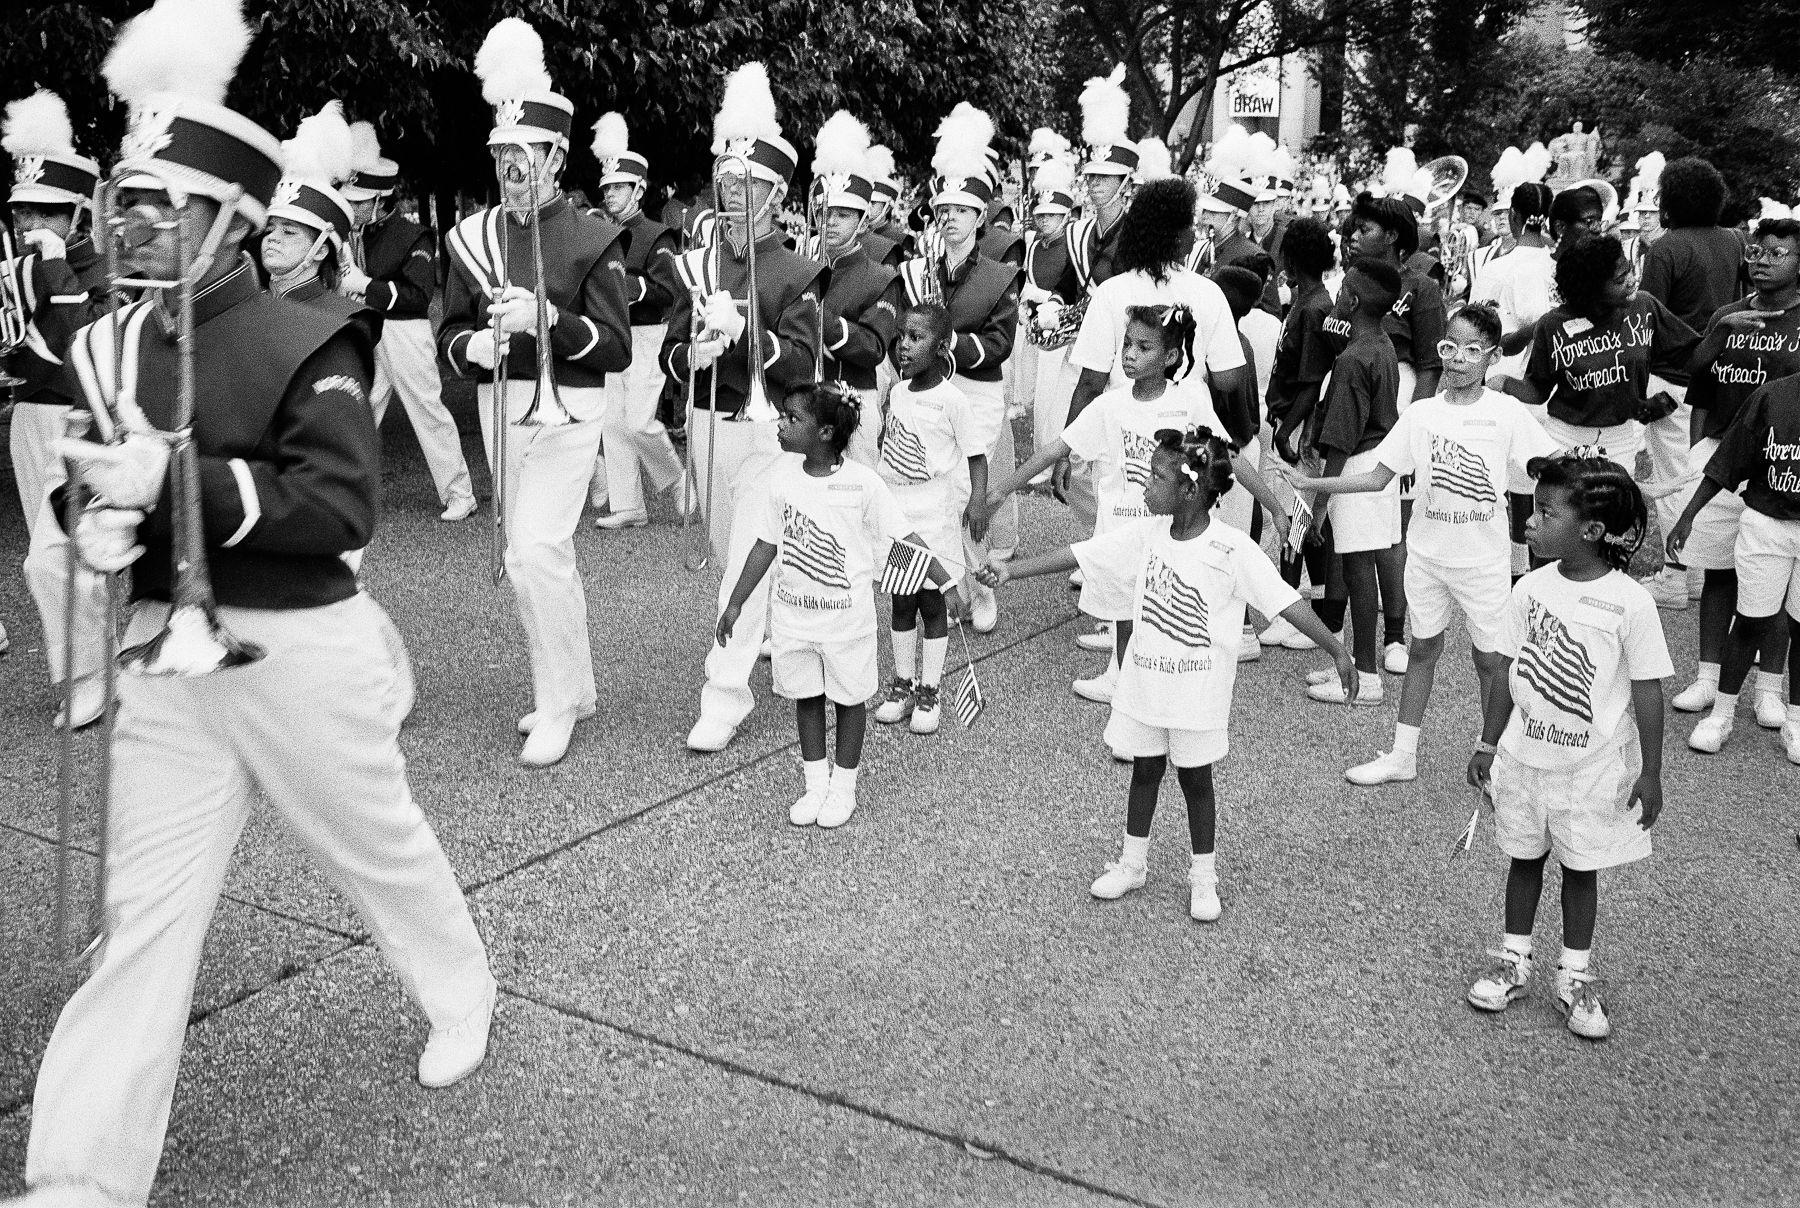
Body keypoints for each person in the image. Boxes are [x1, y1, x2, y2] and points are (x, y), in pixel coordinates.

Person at [20, 5, 495, 1204]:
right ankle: (83, 1169)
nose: (137, 225)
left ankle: (461, 988)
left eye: (164, 206)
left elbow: (339, 508)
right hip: (161, 660)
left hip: (297, 647)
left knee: (378, 849)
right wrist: (100, 523)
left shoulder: (309, 331)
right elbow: (91, 497)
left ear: (232, 221)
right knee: (144, 917)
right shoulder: (109, 345)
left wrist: (174, 481)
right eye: (131, 202)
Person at [979, 427, 1353, 921]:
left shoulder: (1230, 549)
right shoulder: (1148, 535)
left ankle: (1204, 877)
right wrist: (1013, 571)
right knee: (1145, 770)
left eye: (1155, 476)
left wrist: (1337, 650)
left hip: (1197, 694)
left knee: (1197, 781)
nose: (1144, 485)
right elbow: (1081, 555)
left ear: (1190, 490)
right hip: (1146, 685)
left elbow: (1284, 604)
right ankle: (1133, 863)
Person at [439, 17, 633, 768]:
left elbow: (614, 347)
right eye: (502, 155)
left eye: (526, 155)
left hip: (568, 411)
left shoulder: (591, 237)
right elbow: (449, 334)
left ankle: (557, 703)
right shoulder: (472, 237)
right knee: (542, 558)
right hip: (501, 409)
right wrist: (477, 346)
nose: (513, 168)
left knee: (535, 552)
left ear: (556, 158)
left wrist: (550, 319)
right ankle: (572, 686)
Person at [1284, 305, 1557, 784]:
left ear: (1492, 357)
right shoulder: (1422, 415)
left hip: (1484, 562)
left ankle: (1497, 759)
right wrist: (1313, 486)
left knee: (1491, 661)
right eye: (1449, 348)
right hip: (1427, 559)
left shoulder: (1506, 414)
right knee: (1422, 648)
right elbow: (1374, 478)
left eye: (1472, 351)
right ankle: (1402, 755)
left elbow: (1552, 463)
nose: (1457, 360)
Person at [1466, 451, 1670, 1042]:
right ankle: (1513, 959)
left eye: (1546, 511)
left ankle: (1574, 975)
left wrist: (1651, 772)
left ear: (1592, 530)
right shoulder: (1529, 588)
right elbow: (1507, 669)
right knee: (1523, 858)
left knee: (1581, 870)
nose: (1528, 519)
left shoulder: (1629, 602)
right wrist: (1487, 741)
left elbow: (1648, 688)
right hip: (1526, 760)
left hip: (1591, 769)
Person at [982, 304, 1284, 701]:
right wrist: (1001, 490)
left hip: (1170, 534)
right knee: (1125, 616)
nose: (1129, 354)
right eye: (1126, 344)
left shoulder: (1189, 400)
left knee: (1161, 622)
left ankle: (1151, 698)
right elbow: (1055, 450)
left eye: (1143, 347)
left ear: (1171, 357)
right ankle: (1124, 689)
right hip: (1121, 530)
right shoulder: (1110, 406)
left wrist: (1275, 506)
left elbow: (1227, 456)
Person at [664, 62, 826, 754]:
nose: (735, 194)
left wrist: (746, 337)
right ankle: (778, 639)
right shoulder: (698, 261)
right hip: (708, 424)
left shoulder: (798, 271)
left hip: (769, 435)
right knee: (725, 549)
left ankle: (724, 692)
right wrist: (691, 357)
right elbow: (669, 353)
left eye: (751, 184)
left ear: (777, 192)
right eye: (728, 182)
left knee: (745, 564)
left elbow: (804, 364)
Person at [717, 384, 950, 828]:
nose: (781, 425)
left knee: (848, 701)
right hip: (794, 618)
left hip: (846, 622)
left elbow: (905, 536)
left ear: (825, 432)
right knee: (805, 696)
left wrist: (947, 581)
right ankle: (815, 785)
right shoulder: (781, 479)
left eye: (792, 419)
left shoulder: (862, 483)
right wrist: (735, 604)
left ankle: (844, 787)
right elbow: (765, 545)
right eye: (783, 417)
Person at [1665, 217, 1800, 729]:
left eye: (1777, 253)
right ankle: (1708, 675)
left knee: (1780, 584)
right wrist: (1699, 445)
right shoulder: (1729, 313)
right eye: (1756, 252)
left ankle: (1769, 687)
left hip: (1780, 464)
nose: (1762, 261)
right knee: (1719, 571)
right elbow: (1699, 381)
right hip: (1722, 456)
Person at [2, 89, 108, 730]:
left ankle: (91, 676)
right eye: (21, 212)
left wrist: (54, 269)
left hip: (83, 422)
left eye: (47, 211)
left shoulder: (102, 270)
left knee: (54, 557)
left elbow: (83, 346)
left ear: (78, 218)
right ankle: (96, 658)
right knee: (64, 559)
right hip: (28, 420)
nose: (29, 224)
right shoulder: (14, 270)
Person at [894, 102, 1019, 635]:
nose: (949, 219)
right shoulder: (919, 270)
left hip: (979, 392)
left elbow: (1000, 344)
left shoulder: (999, 273)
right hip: (932, 391)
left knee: (971, 494)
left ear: (980, 217)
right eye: (942, 210)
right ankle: (952, 591)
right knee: (937, 494)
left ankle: (982, 590)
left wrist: (948, 348)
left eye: (961, 211)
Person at [337, 122, 478, 523]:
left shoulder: (415, 235)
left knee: (427, 411)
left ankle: (460, 493)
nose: (354, 206)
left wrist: (367, 285)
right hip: (365, 328)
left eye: (361, 200)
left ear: (382, 199)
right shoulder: (354, 233)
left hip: (404, 331)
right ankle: (350, 491)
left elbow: (416, 297)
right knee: (358, 410)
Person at [1667, 359, 1800, 762]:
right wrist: (1689, 515)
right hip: (1767, 523)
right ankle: (1721, 714)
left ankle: (1795, 721)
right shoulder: (1773, 396)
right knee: (1752, 619)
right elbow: (1729, 461)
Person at [1496, 235, 1700, 486]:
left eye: (1630, 271)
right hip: (1564, 440)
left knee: (1614, 517)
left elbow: (1692, 355)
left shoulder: (1643, 308)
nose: (1632, 281)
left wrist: (1724, 331)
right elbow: (1538, 390)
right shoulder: (1552, 325)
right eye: (1620, 279)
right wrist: (1504, 383)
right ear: (1591, 290)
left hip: (1620, 440)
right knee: (1566, 518)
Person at [1638, 157, 1751, 605]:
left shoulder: (1665, 248)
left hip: (1674, 376)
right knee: (1709, 471)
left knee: (1672, 477)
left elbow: (1648, 319)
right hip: (1727, 375)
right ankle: (1700, 569)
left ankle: (1674, 575)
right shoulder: (1736, 240)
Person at [870, 302, 981, 735]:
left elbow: (976, 456)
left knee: (933, 602)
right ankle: (902, 683)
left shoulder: (953, 400)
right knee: (901, 599)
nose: (904, 347)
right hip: (898, 509)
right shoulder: (897, 393)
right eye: (901, 337)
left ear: (940, 347)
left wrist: (977, 502)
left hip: (934, 510)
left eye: (916, 338)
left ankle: (930, 689)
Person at [1302, 258, 1406, 705]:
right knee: (1359, 569)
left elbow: (1340, 443)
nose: (1337, 295)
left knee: (1359, 573)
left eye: (1343, 289)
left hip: (1359, 467)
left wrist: (1320, 503)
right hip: (1379, 464)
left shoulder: (1351, 359)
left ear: (1354, 300)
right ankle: (1358, 667)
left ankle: (1366, 676)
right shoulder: (1381, 344)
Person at [586, 112, 691, 529]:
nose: (610, 194)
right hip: (615, 333)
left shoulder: (657, 234)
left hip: (649, 334)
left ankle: (678, 481)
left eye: (618, 187)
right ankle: (628, 505)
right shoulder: (598, 233)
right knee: (612, 422)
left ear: (639, 190)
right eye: (607, 187)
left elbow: (668, 291)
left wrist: (628, 288)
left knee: (639, 422)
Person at [1260, 215, 1341, 650]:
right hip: (1290, 419)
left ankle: (1291, 612)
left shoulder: (1314, 308)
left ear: (1292, 258)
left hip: (1298, 427)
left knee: (1295, 520)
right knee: (1303, 522)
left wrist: (1286, 431)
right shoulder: (1306, 300)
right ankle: (1320, 614)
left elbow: (1313, 380)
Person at [808, 111, 902, 471]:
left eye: (843, 215)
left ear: (863, 221)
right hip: (805, 395)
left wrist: (821, 322)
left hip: (854, 395)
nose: (830, 222)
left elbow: (872, 349)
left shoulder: (881, 278)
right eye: (826, 213)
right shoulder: (802, 269)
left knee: (857, 487)